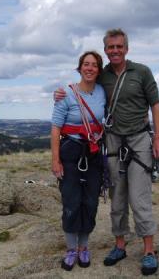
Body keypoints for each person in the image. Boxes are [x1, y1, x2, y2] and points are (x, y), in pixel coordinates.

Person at [54, 29, 159, 276]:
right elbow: (82, 89)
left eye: (119, 46)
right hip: (113, 142)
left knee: (139, 197)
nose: (115, 50)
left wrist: (158, 138)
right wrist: (60, 94)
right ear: (106, 50)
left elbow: (155, 105)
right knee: (117, 198)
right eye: (110, 47)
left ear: (126, 48)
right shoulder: (102, 76)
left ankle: (149, 251)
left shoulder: (142, 72)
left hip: (138, 140)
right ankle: (120, 245)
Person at [51, 51, 106, 271]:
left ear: (99, 70)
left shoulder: (102, 91)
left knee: (90, 202)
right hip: (71, 152)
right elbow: (55, 129)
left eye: (94, 65)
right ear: (79, 68)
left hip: (93, 154)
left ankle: (84, 247)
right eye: (86, 64)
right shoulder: (66, 94)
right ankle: (71, 248)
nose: (90, 68)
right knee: (71, 202)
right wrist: (56, 161)